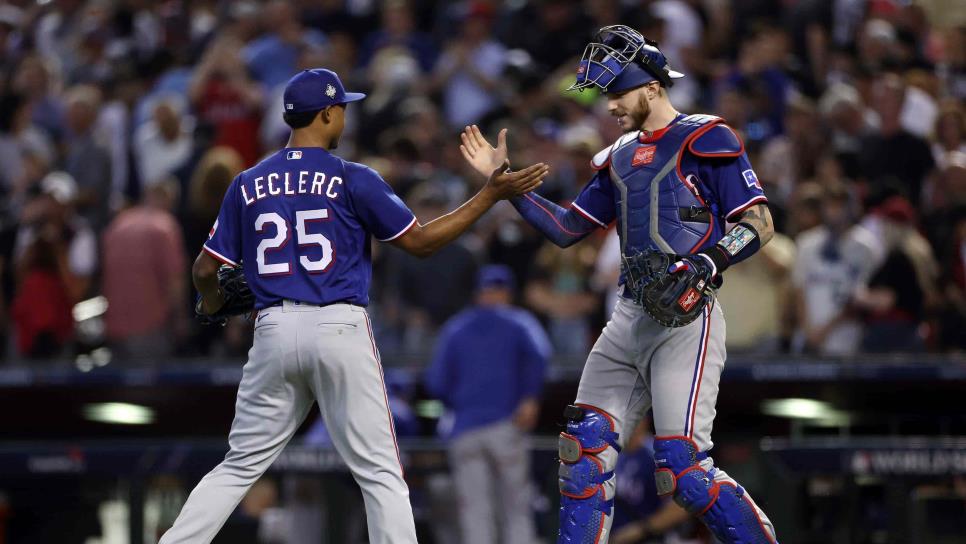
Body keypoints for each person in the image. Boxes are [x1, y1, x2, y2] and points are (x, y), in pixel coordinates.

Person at [158, 68, 549, 544]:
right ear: (326, 113)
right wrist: (488, 196)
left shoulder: (248, 181)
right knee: (381, 472)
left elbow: (203, 268)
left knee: (239, 465)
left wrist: (216, 299)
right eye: (341, 107)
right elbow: (422, 243)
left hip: (273, 329)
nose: (345, 115)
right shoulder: (351, 176)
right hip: (339, 324)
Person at [460, 26, 780, 543]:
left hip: (687, 318)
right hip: (628, 316)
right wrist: (505, 188)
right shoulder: (618, 155)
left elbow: (760, 222)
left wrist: (707, 262)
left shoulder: (707, 136)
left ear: (652, 87)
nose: (609, 105)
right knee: (583, 454)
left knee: (683, 470)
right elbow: (567, 230)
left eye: (618, 92)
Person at [424, 264, 550, 544]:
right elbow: (541, 357)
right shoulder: (520, 322)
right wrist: (529, 397)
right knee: (515, 510)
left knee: (475, 513)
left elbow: (436, 383)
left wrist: (463, 402)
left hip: (465, 429)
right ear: (507, 293)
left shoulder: (455, 328)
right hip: (507, 426)